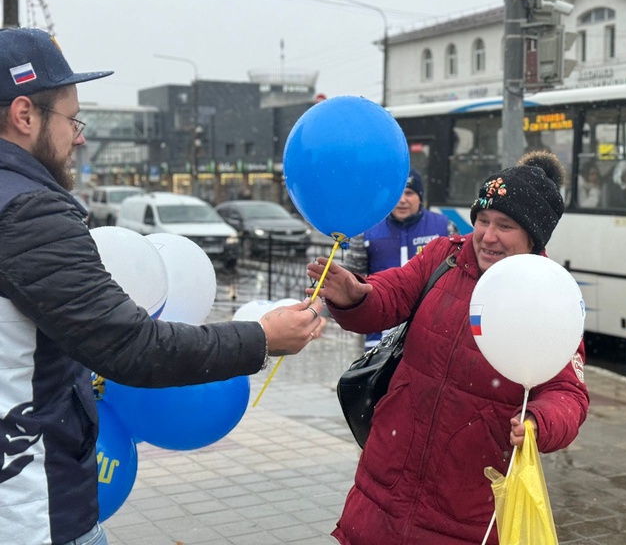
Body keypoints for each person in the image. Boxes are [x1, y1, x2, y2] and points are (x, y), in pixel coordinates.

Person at [0, 27, 325, 545]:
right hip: (29, 512)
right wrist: (262, 337)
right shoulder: (28, 213)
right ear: (24, 115)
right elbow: (132, 348)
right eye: (72, 119)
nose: (78, 137)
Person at [308, 151, 589, 545]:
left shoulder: (549, 297)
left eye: (504, 226)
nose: (487, 236)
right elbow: (392, 293)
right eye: (483, 220)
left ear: (533, 236)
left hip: (467, 507)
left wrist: (539, 423)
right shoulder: (444, 256)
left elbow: (567, 393)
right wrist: (357, 295)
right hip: (384, 484)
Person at [343, 168, 457, 349]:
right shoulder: (367, 230)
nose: (402, 200)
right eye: (397, 194)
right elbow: (349, 277)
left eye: (409, 193)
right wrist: (325, 312)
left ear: (420, 197)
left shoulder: (444, 227)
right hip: (379, 333)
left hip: (432, 329)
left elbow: (458, 279)